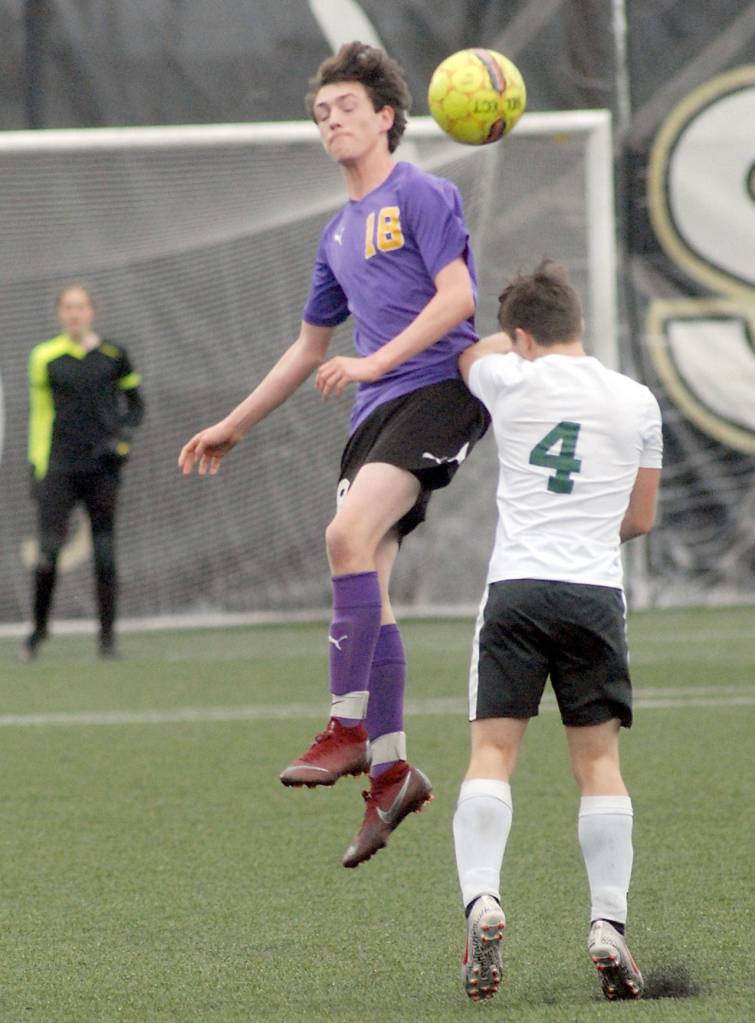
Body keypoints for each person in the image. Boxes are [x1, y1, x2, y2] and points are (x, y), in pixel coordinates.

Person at [178, 42, 489, 868]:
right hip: (373, 410)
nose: (331, 120)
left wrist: (377, 360)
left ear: (386, 116)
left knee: (343, 537)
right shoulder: (335, 233)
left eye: (346, 106)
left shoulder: (422, 192)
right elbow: (309, 345)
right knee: (368, 584)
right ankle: (390, 772)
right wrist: (233, 423)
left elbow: (458, 298)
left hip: (433, 390)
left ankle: (348, 724)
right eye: (320, 112)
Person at [452, 261, 662, 1003]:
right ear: (577, 322)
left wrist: (502, 346)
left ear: (522, 336)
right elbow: (639, 518)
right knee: (597, 761)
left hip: (515, 586)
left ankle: (482, 899)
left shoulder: (510, 376)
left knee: (492, 751)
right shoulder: (637, 400)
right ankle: (607, 922)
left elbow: (464, 350)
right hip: (594, 591)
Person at [20, 284, 145, 661]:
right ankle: (37, 633)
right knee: (48, 553)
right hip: (58, 469)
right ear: (60, 313)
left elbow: (136, 405)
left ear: (92, 311)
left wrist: (121, 440)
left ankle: (107, 640)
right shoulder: (44, 357)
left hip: (101, 471)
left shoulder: (113, 354)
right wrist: (37, 467)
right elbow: (40, 416)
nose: (75, 314)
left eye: (81, 307)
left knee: (105, 554)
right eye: (68, 307)